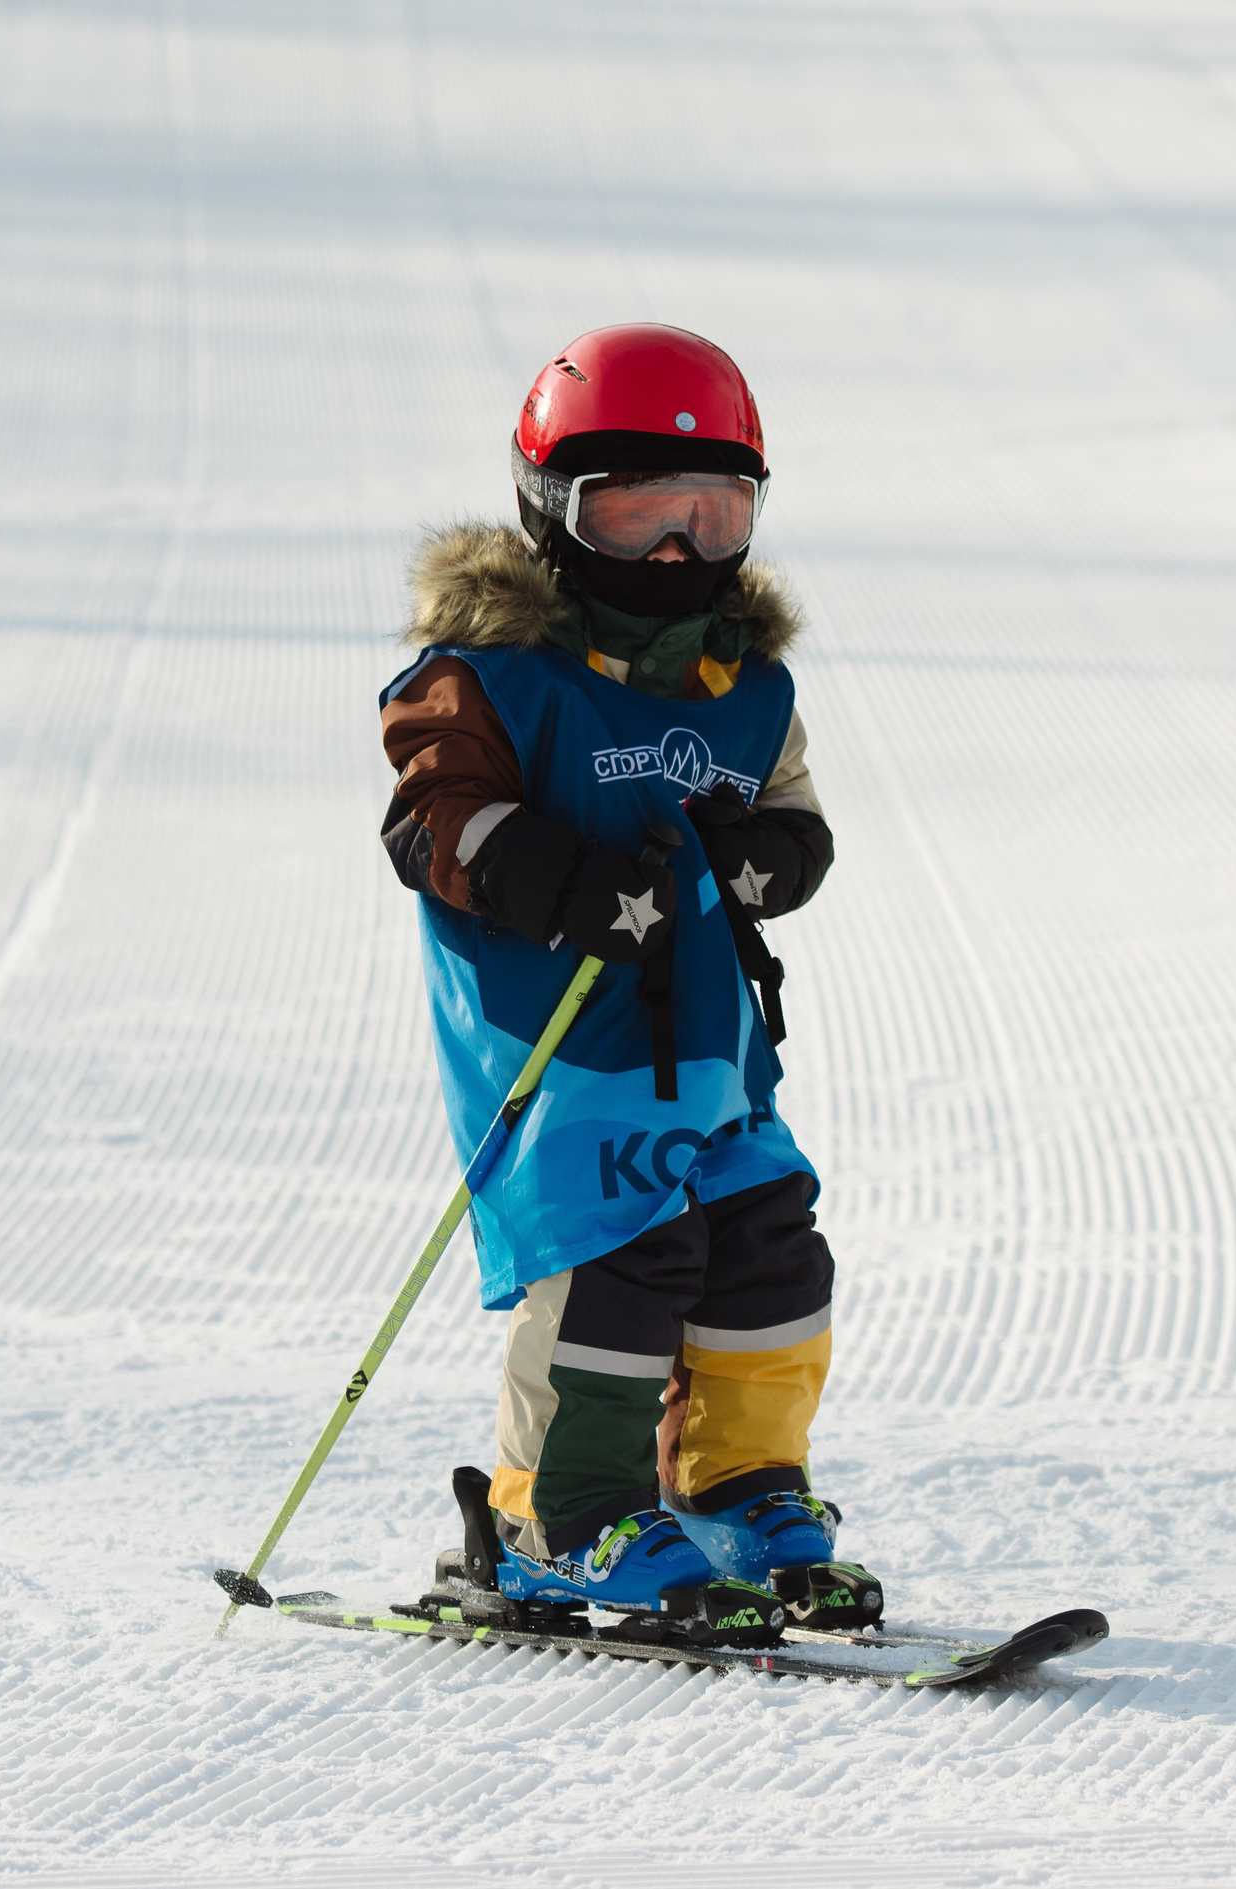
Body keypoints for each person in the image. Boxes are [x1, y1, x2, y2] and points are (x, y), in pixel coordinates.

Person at [377, 323, 863, 1629]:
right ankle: (559, 1514)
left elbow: (796, 822)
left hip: (709, 1047)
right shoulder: (488, 679)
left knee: (770, 1248)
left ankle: (742, 1487)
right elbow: (434, 821)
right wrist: (571, 881)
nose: (674, 553)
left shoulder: (742, 685)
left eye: (713, 516)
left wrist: (750, 870)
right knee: (622, 1253)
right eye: (638, 512)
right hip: (568, 1049)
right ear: (555, 511)